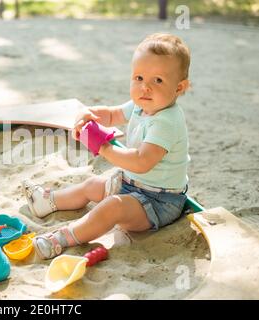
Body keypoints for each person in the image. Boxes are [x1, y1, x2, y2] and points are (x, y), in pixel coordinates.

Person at [23, 33, 191, 259]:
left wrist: (105, 149)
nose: (145, 88)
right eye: (139, 78)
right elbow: (112, 115)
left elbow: (142, 162)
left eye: (158, 80)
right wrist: (89, 114)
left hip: (159, 202)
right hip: (131, 184)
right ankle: (48, 201)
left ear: (179, 88)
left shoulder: (167, 121)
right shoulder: (142, 105)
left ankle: (63, 238)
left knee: (112, 207)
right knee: (93, 185)